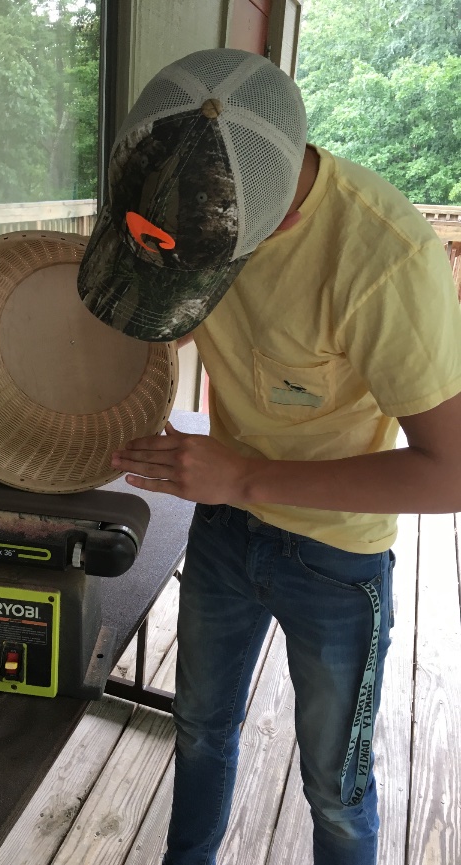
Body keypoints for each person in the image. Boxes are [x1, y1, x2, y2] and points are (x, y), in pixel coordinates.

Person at [77, 49, 461, 865]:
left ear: (276, 221)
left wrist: (244, 473)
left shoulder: (382, 260)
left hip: (337, 556)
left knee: (335, 785)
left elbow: (451, 470)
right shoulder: (172, 187)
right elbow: (164, 317)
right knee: (201, 730)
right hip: (223, 521)